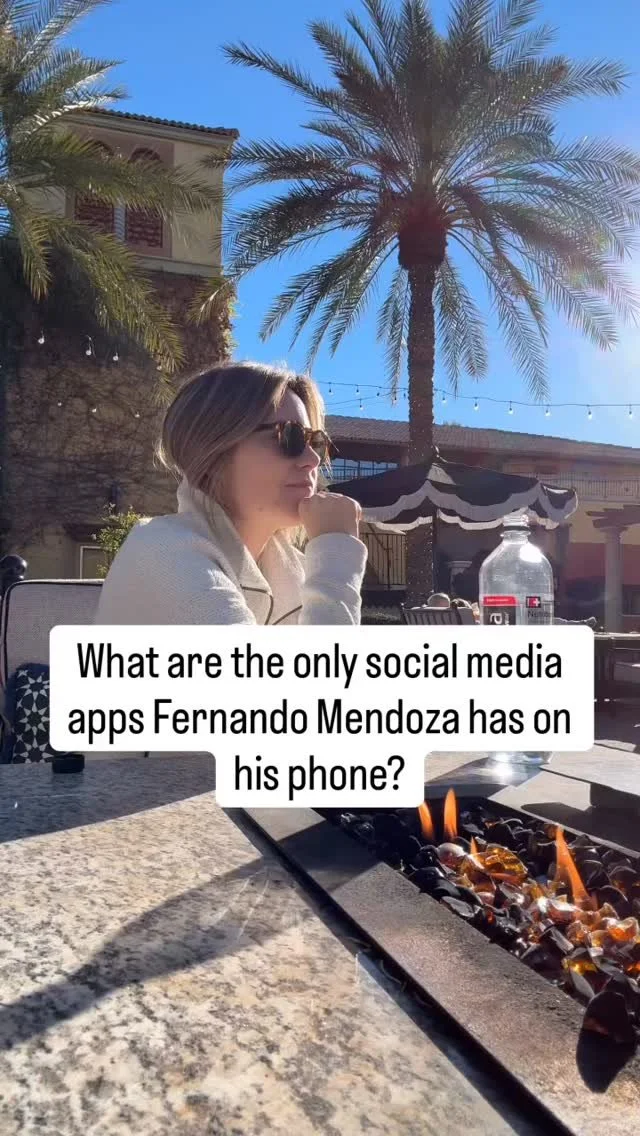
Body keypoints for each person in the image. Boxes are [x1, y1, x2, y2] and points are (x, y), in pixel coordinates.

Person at [95, 361, 368, 626]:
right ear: (214, 450)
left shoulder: (294, 572)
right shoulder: (163, 551)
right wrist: (336, 551)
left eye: (316, 442)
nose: (313, 459)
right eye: (290, 436)